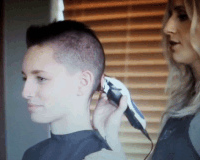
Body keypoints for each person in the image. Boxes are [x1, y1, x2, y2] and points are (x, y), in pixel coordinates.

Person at [85, 0, 200, 159]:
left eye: (182, 16)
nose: (167, 28)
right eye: (170, 15)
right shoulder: (184, 106)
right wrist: (108, 135)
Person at [21, 20, 128, 160]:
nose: (25, 93)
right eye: (25, 78)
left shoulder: (105, 156)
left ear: (83, 82)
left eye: (41, 78)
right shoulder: (32, 154)